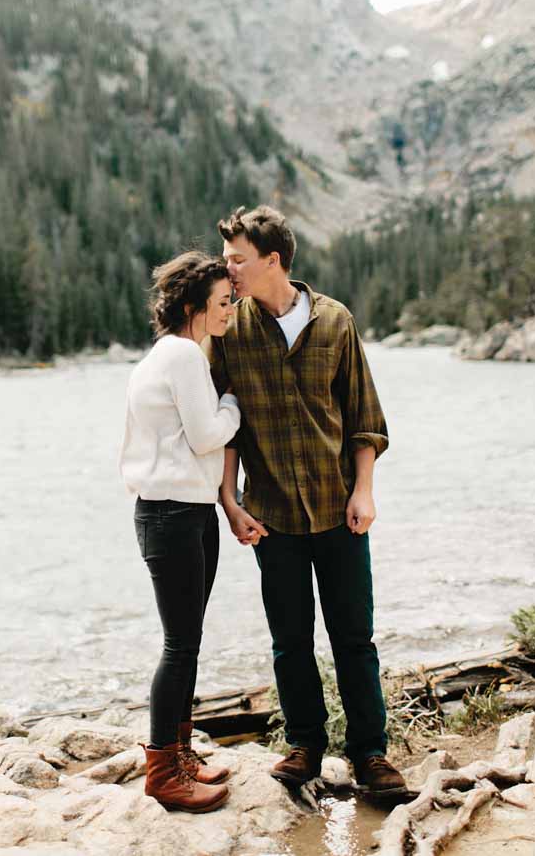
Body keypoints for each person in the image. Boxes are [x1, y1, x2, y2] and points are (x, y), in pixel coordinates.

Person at [209, 205, 407, 795]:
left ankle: (371, 753)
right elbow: (226, 424)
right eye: (226, 261)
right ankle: (304, 747)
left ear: (274, 260)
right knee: (289, 640)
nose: (229, 272)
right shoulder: (231, 330)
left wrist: (364, 490)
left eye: (238, 260)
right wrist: (229, 500)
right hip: (271, 516)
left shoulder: (335, 321)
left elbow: (364, 418)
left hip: (339, 509)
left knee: (354, 638)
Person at [118, 250, 240, 813]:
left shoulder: (165, 355)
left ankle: (180, 754)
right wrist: (235, 403)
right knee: (179, 645)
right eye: (221, 302)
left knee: (184, 643)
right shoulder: (184, 356)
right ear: (193, 306)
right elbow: (206, 435)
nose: (230, 309)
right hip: (172, 514)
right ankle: (164, 771)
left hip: (180, 510)